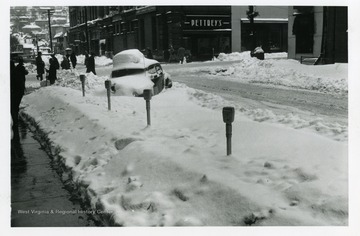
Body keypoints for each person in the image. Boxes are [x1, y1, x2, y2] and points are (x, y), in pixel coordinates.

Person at [11, 58, 28, 128]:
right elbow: (25, 73)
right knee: (15, 105)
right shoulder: (20, 69)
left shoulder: (15, 70)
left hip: (15, 90)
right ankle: (15, 120)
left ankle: (15, 120)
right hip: (19, 89)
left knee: (14, 106)